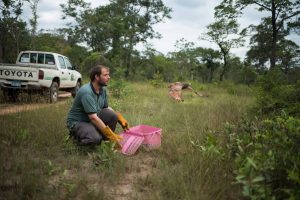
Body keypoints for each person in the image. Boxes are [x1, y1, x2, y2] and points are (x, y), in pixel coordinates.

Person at [66, 65, 129, 146]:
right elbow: (93, 117)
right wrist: (109, 134)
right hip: (79, 122)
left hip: (91, 119)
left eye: (108, 75)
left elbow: (105, 108)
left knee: (113, 115)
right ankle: (75, 140)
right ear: (96, 77)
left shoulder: (103, 89)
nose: (109, 77)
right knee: (95, 139)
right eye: (105, 75)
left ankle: (107, 141)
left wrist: (119, 117)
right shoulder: (86, 92)